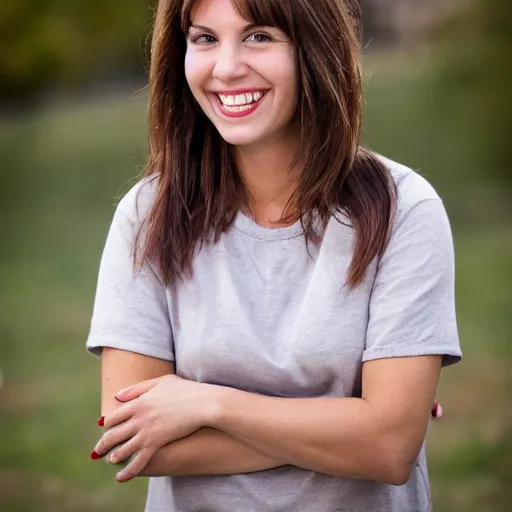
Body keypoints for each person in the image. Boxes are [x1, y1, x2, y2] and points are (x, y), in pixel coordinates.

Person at [86, 0, 462, 510]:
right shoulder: (148, 214)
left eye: (259, 36)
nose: (226, 67)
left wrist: (207, 403)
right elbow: (134, 442)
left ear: (315, 48)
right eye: (204, 39)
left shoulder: (404, 209)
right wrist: (346, 424)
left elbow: (389, 448)